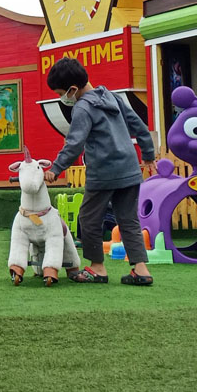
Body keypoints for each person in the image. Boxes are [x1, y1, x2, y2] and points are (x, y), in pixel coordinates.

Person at [44, 58, 156, 285]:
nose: (61, 98)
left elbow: (74, 143)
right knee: (128, 220)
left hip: (103, 173)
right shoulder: (112, 97)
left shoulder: (82, 108)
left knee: (88, 218)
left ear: (73, 89)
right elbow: (139, 125)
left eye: (61, 93)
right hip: (129, 169)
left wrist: (56, 168)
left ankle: (97, 268)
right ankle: (141, 270)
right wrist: (148, 154)